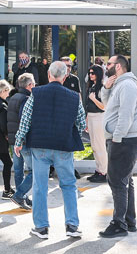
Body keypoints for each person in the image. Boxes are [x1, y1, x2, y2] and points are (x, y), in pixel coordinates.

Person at [14, 61, 85, 240]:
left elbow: (26, 119)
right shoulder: (74, 96)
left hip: (40, 145)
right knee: (68, 185)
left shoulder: (36, 93)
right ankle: (72, 225)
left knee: (40, 186)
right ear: (65, 76)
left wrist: (19, 140)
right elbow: (81, 123)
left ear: (48, 74)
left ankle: (41, 228)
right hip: (64, 145)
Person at [98, 55, 137, 238]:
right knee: (125, 180)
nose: (106, 66)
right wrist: (106, 88)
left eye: (109, 64)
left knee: (117, 181)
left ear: (118, 66)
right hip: (123, 139)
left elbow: (126, 115)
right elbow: (107, 106)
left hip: (125, 140)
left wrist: (117, 138)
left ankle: (119, 224)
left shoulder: (127, 86)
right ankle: (128, 221)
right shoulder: (118, 84)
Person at [7, 73, 34, 210]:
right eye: (33, 83)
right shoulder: (26, 99)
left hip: (13, 139)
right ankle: (19, 195)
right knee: (35, 171)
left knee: (18, 170)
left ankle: (21, 197)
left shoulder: (13, 97)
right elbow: (25, 121)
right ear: (29, 85)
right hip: (23, 140)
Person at [84, 64, 108, 183]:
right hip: (92, 116)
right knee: (94, 146)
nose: (90, 75)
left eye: (93, 73)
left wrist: (93, 99)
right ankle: (99, 170)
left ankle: (104, 171)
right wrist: (87, 120)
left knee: (99, 145)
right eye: (89, 73)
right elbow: (88, 105)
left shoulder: (102, 88)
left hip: (99, 117)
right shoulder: (92, 87)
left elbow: (104, 106)